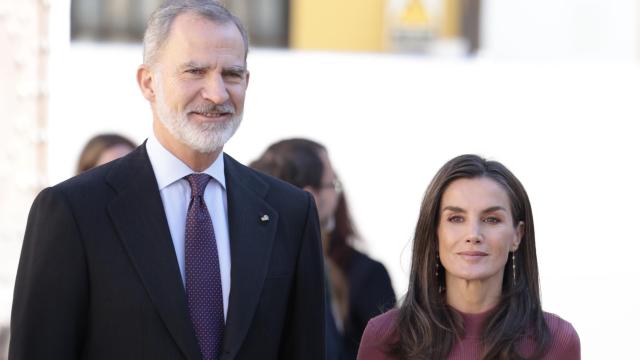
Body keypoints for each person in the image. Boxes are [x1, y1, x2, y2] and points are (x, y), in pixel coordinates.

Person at [9, 2, 325, 360]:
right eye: (195, 71)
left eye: (232, 74)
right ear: (148, 83)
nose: (217, 93)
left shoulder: (289, 213)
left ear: (247, 82)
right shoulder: (75, 213)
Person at [357, 154, 580, 360]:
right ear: (435, 232)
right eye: (456, 218)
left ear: (517, 235)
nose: (473, 234)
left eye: (491, 219)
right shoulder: (385, 337)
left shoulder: (557, 341)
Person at [251, 138, 396, 360]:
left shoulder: (242, 259)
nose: (337, 195)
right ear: (311, 196)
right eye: (332, 184)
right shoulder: (309, 269)